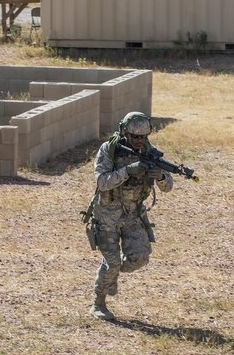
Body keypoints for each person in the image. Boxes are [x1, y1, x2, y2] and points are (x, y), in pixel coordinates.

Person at [89, 112, 173, 320]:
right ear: (125, 133)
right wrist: (128, 171)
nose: (139, 141)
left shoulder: (149, 152)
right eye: (134, 136)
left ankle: (112, 276)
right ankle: (98, 303)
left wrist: (160, 176)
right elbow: (102, 182)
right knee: (113, 262)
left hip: (133, 215)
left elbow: (168, 186)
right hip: (107, 215)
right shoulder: (109, 150)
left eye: (143, 137)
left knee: (141, 258)